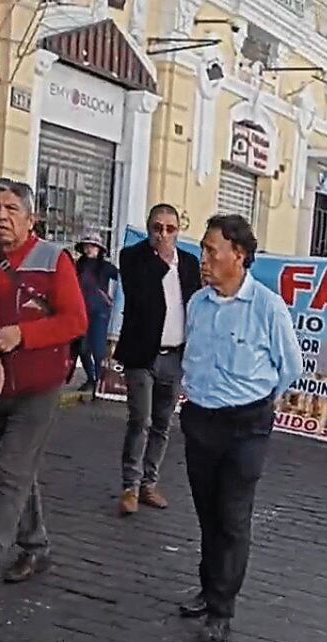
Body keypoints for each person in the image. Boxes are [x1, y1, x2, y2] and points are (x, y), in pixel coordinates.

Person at [0, 178, 88, 608]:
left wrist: (21, 335)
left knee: (9, 471)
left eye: (10, 209)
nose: (0, 217)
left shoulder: (54, 259)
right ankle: (35, 544)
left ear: (30, 217)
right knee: (12, 472)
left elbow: (75, 321)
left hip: (37, 388)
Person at [176, 214, 302, 642]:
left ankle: (221, 610)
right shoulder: (197, 303)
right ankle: (209, 589)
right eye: (203, 250)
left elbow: (291, 367)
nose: (203, 260)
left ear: (240, 255)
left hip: (246, 426)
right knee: (208, 515)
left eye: (212, 251)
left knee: (232, 516)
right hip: (200, 421)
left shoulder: (267, 307)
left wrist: (258, 402)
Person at [109, 204, 201, 516]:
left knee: (162, 423)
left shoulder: (189, 263)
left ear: (178, 231)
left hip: (174, 356)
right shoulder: (133, 258)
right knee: (140, 420)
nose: (163, 234)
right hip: (142, 355)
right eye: (157, 228)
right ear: (149, 229)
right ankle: (130, 486)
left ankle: (149, 482)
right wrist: (161, 261)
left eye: (170, 229)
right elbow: (139, 295)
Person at [72, 231, 118, 391]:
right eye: (87, 245)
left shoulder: (106, 267)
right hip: (81, 312)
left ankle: (100, 382)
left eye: (93, 245)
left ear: (99, 249)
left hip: (100, 313)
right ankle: (92, 378)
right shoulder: (77, 265)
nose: (89, 248)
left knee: (99, 351)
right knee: (83, 349)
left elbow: (123, 280)